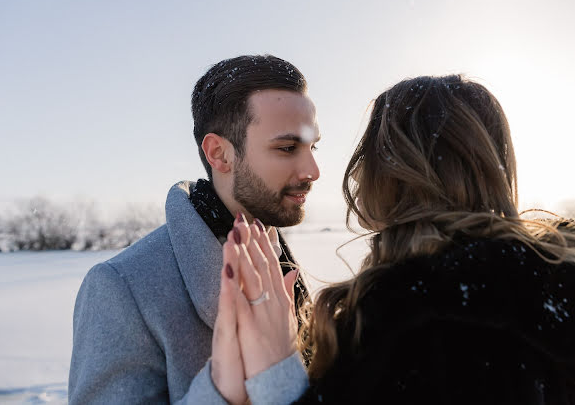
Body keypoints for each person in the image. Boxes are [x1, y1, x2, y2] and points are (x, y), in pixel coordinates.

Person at [212, 74, 575, 404]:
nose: (315, 171)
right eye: (287, 148)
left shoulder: (416, 328)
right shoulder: (548, 284)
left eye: (370, 151)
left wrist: (278, 378)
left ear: (393, 173)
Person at [68, 54, 321, 404]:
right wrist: (220, 392)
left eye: (312, 146)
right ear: (220, 153)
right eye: (288, 148)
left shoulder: (276, 254)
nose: (313, 169)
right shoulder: (121, 287)